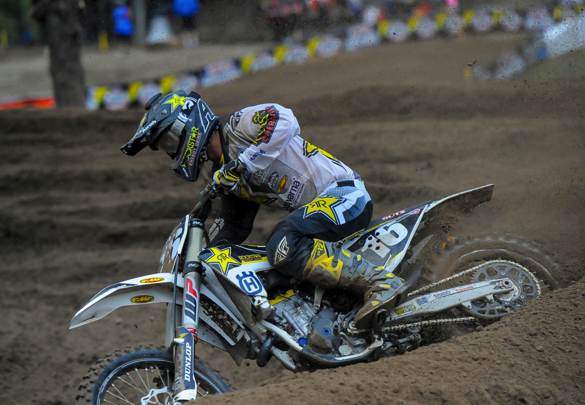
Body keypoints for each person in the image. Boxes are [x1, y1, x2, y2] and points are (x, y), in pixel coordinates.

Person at [120, 90, 408, 330]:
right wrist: (195, 261)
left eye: (170, 141)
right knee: (260, 264)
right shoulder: (227, 176)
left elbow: (284, 119)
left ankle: (381, 283)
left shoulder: (237, 127)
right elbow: (233, 227)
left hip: (346, 194)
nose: (172, 151)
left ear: (189, 125)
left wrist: (245, 161)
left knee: (282, 243)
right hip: (320, 217)